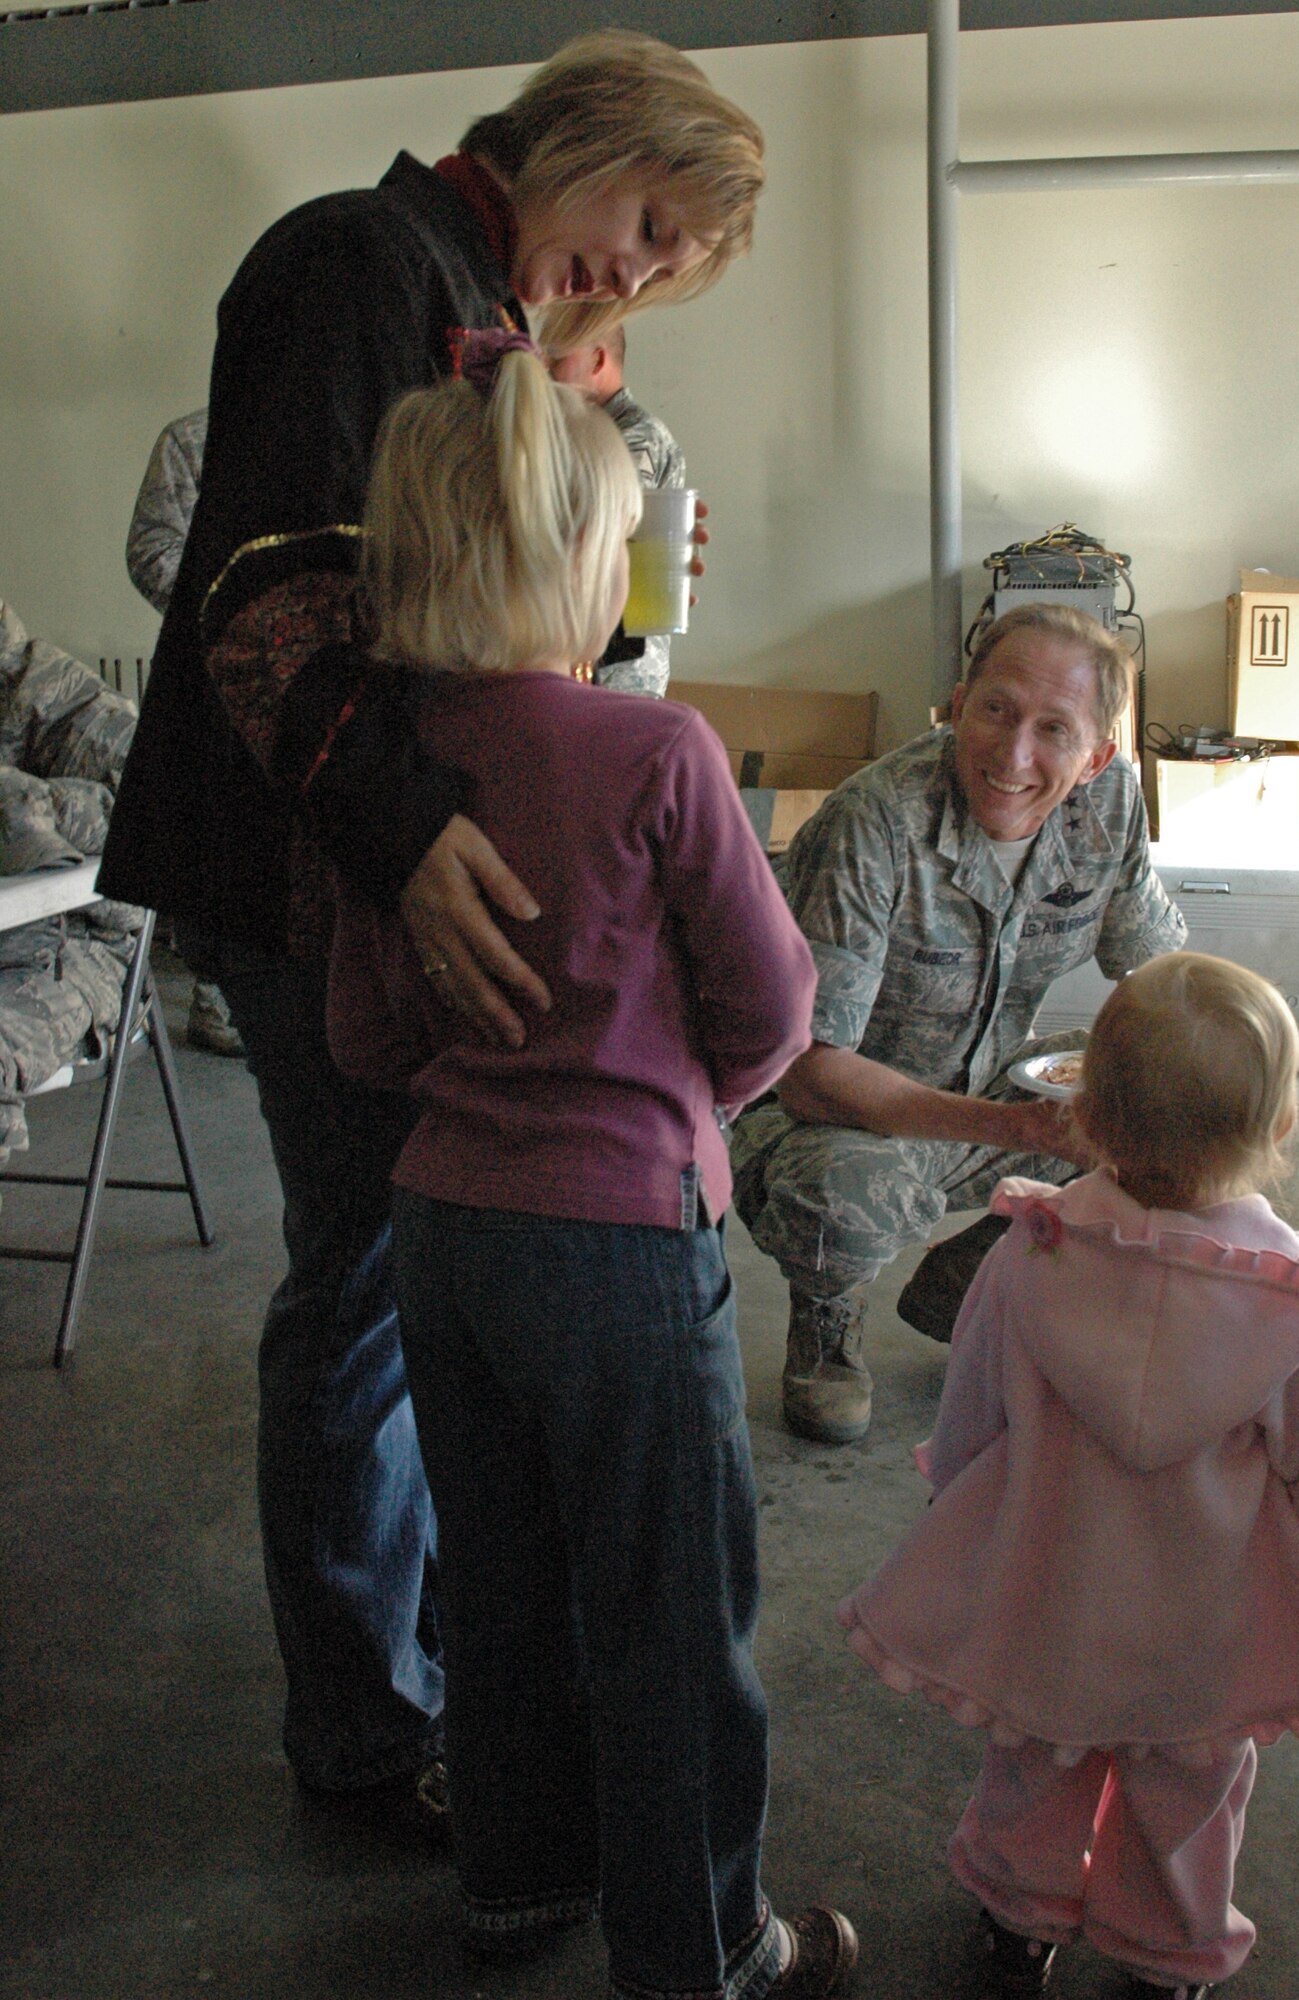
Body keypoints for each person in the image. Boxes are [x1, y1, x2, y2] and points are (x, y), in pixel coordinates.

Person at [97, 31, 765, 1830]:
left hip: (367, 867)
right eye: (647, 221)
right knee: (370, 1298)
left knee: (394, 1286)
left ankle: (423, 1685)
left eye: (672, 266)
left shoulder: (468, 300)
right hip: (317, 869)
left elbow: (443, 612)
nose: (637, 273)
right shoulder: (361, 261)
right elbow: (268, 595)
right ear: (578, 136)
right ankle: (369, 1729)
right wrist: (409, 838)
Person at [325, 334, 853, 1997]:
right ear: (572, 557)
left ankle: (511, 1885)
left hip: (444, 1233)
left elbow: (363, 1036)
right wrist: (681, 1096)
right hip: (620, 1246)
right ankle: (698, 1943)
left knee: (494, 1581)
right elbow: (771, 1007)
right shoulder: (657, 756)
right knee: (668, 1614)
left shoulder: (388, 778)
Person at [838, 951, 1299, 1999]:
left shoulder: (1030, 1250)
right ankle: (1168, 1948)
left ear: (1084, 1111)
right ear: (1278, 1129)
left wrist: (956, 1496)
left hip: (1048, 1581)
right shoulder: (1291, 1307)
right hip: (1206, 1614)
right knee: (1190, 1784)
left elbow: (976, 1406)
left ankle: (1018, 1910)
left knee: (1034, 1755)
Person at [731, 603, 1187, 1446]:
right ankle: (827, 1334)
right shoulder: (874, 821)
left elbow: (1156, 974)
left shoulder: (1112, 804)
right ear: (956, 703)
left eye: (1054, 729)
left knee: (1191, 1109)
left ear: (1098, 756)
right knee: (844, 1195)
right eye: (996, 710)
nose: (1012, 755)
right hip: (833, 1116)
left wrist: (1181, 1076)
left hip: (994, 1080)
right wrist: (1026, 1129)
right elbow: (809, 1068)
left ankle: (979, 1282)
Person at [123, 407, 245, 1058]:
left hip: (313, 677)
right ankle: (216, 1003)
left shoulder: (341, 423)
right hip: (213, 677)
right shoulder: (192, 440)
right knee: (219, 834)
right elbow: (150, 549)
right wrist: (232, 610)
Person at [547, 320, 687, 696]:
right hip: (593, 661)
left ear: (597, 359)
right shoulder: (587, 435)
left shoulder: (637, 436)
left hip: (621, 676)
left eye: (556, 358)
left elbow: (598, 528)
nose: (545, 369)